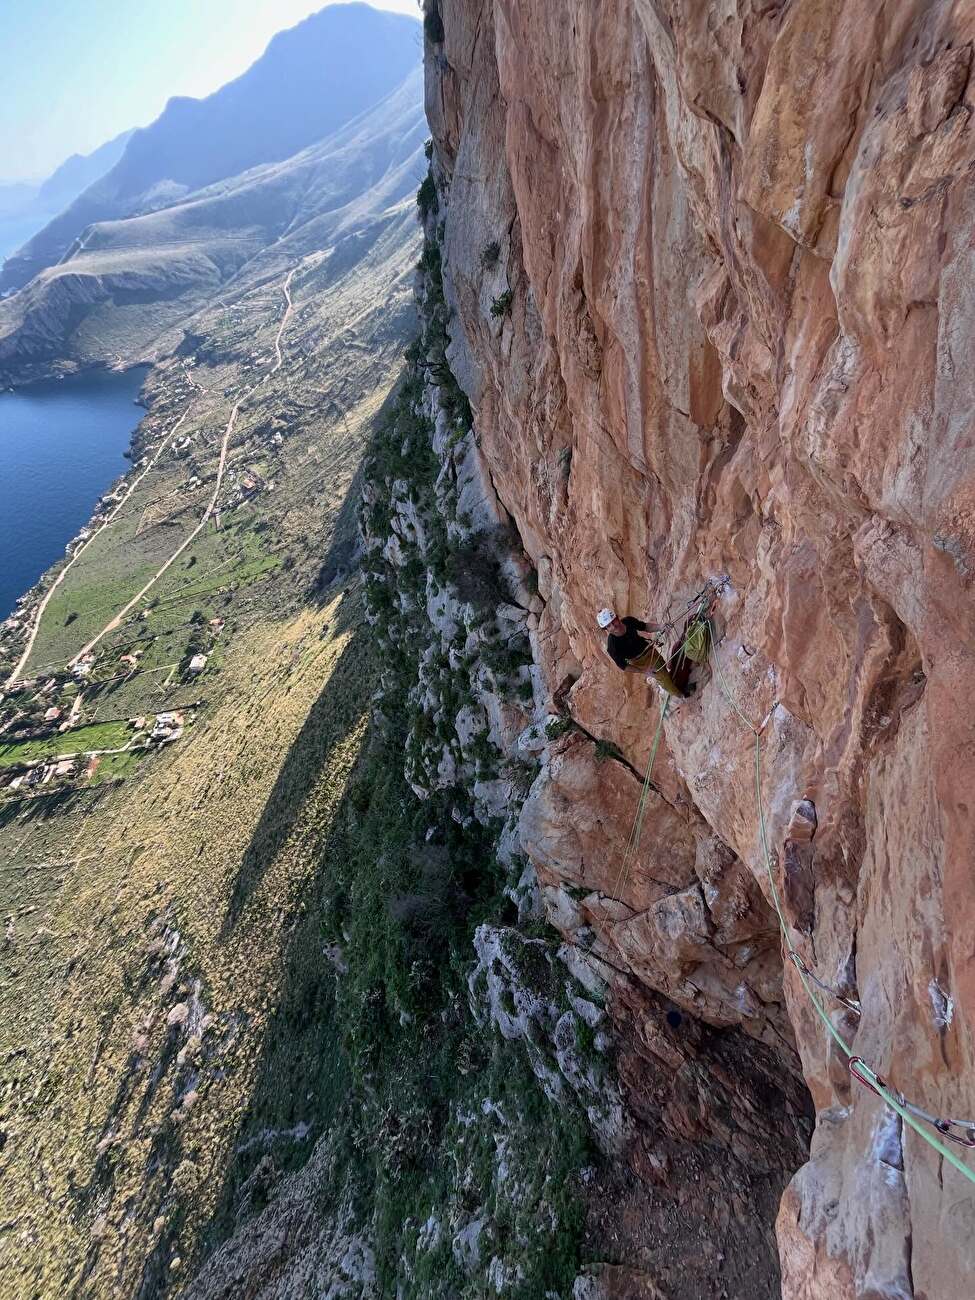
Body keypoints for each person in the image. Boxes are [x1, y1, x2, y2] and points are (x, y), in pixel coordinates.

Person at [596, 607, 692, 698]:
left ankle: (673, 682)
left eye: (613, 621)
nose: (613, 626)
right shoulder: (612, 646)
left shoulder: (628, 621)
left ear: (617, 618)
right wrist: (645, 671)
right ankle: (680, 694)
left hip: (650, 650)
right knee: (662, 677)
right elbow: (623, 666)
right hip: (640, 662)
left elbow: (645, 626)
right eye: (609, 626)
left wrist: (661, 627)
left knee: (662, 666)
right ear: (606, 629)